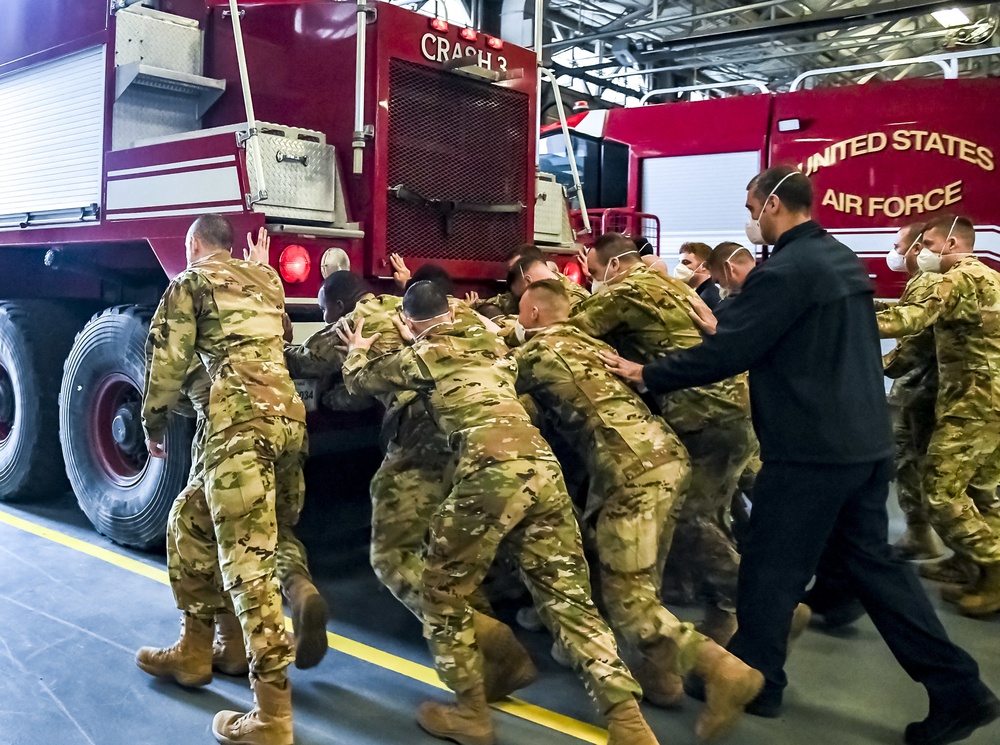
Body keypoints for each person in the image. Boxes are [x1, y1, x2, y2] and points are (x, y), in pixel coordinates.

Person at [599, 167, 998, 745]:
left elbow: (733, 354)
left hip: (811, 448)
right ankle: (956, 689)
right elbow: (778, 334)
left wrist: (647, 371)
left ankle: (761, 678)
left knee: (768, 567)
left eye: (752, 205)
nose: (750, 217)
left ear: (774, 205)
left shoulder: (785, 268)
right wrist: (723, 326)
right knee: (870, 568)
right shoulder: (835, 260)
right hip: (862, 441)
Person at [339, 281, 748, 745]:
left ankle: (471, 713)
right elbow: (478, 344)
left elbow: (358, 382)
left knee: (440, 592)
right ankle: (629, 723)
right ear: (451, 316)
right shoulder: (491, 345)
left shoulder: (421, 357)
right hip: (543, 471)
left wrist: (359, 348)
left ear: (410, 324)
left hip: (490, 473)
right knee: (568, 600)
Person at [513, 279, 764, 714]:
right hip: (670, 459)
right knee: (646, 579)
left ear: (533, 314)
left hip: (633, 475)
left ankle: (720, 670)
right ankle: (661, 680)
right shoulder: (596, 345)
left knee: (627, 599)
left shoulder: (536, 352)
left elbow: (484, 380)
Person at [284, 271, 537, 702]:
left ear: (340, 306)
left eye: (326, 311)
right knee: (447, 550)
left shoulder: (352, 323)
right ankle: (485, 651)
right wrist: (336, 400)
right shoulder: (414, 306)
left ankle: (492, 645)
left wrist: (283, 334)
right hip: (487, 436)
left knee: (392, 557)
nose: (327, 318)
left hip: (421, 439)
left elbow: (302, 361)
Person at [142, 216, 308, 745]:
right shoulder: (266, 280)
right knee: (189, 519)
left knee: (248, 566)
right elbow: (277, 335)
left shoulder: (189, 282)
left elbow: (166, 361)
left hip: (240, 426)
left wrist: (152, 423)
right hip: (290, 423)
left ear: (193, 246)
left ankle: (272, 716)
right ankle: (204, 650)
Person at [572, 233, 755, 645]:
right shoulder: (673, 283)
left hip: (702, 416)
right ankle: (722, 613)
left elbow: (568, 331)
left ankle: (756, 604)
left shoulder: (627, 291)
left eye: (597, 272)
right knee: (707, 513)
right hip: (734, 410)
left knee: (690, 517)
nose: (598, 280)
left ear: (614, 266)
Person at [137, 360, 328, 690]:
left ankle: (198, 652)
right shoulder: (264, 307)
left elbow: (164, 367)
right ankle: (295, 590)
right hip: (286, 417)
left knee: (196, 524)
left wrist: (152, 422)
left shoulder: (197, 310)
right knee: (273, 525)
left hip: (231, 426)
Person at [877, 215, 1000, 616]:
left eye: (927, 243)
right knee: (980, 492)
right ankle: (973, 568)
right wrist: (881, 366)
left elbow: (906, 319)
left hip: (975, 404)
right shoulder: (985, 276)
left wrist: (843, 311)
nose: (920, 251)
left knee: (942, 490)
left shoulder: (958, 277)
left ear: (950, 244)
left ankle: (995, 569)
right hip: (985, 403)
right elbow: (920, 344)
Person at [882, 223, 945, 562]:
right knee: (907, 460)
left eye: (897, 244)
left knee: (918, 462)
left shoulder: (929, 282)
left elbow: (916, 343)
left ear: (917, 247)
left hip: (923, 387)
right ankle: (919, 533)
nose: (893, 252)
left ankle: (976, 560)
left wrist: (872, 364)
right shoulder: (920, 282)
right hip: (915, 387)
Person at [676, 242, 721, 310]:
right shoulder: (697, 294)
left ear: (704, 266)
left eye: (686, 262)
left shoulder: (707, 298)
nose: (679, 267)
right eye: (679, 262)